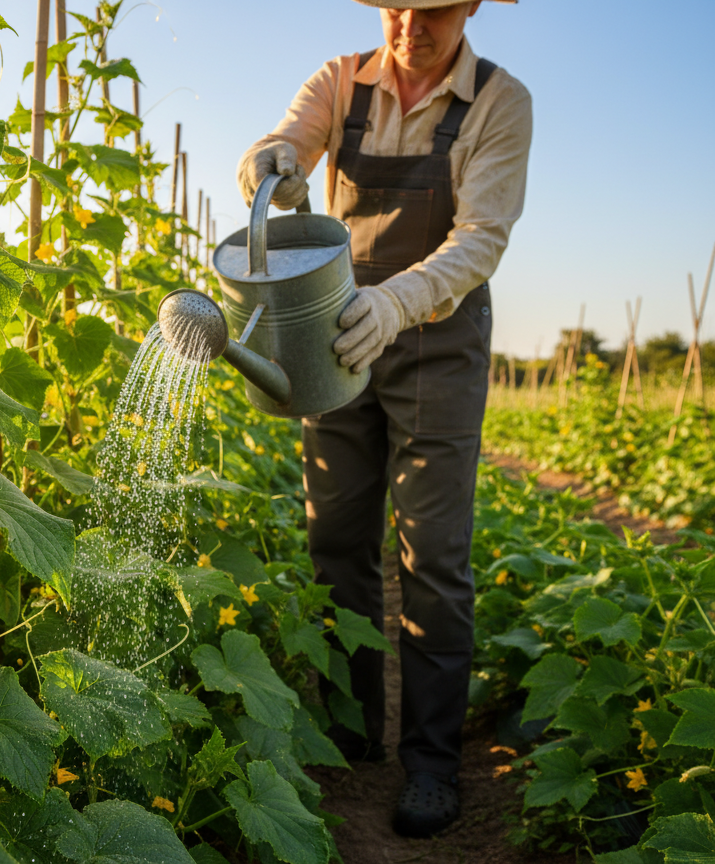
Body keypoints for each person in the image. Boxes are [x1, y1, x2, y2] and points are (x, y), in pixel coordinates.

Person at [236, 0, 533, 839]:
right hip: (332, 333)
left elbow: (481, 238)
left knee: (433, 555)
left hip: (436, 339)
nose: (409, 26)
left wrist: (397, 304)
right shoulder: (342, 81)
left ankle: (433, 761)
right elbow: (287, 136)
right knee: (336, 537)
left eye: (432, 9)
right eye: (395, 7)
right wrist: (275, 163)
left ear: (471, 7)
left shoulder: (500, 103)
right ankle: (349, 729)